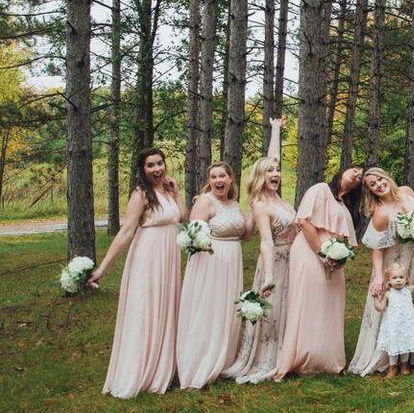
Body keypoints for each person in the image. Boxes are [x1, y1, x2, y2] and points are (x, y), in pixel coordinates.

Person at [90, 148, 188, 398]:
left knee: (166, 310)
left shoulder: (168, 189)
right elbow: (125, 233)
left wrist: (177, 193)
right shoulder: (141, 194)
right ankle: (138, 371)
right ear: (142, 170)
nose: (157, 169)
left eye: (160, 163)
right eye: (150, 165)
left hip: (169, 257)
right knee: (145, 310)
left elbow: (183, 218)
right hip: (148, 257)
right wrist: (103, 267)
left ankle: (162, 370)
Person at [223, 117, 299, 384]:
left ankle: (289, 353)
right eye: (269, 172)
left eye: (277, 171)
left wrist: (276, 130)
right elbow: (265, 241)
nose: (275, 174)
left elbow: (272, 159)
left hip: (294, 260)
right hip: (275, 262)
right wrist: (268, 276)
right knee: (274, 310)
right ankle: (267, 358)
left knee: (291, 309)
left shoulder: (279, 198)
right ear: (260, 177)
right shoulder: (259, 203)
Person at [274, 165, 363, 378]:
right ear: (342, 171)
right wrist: (322, 253)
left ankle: (326, 358)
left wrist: (340, 258)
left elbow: (345, 237)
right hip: (309, 253)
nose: (357, 176)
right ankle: (304, 358)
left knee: (330, 305)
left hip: (333, 260)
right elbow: (304, 222)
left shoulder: (346, 205)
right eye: (355, 171)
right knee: (309, 302)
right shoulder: (321, 189)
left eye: (361, 177)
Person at [177, 161, 249, 389]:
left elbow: (246, 236)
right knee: (207, 309)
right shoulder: (205, 202)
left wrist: (255, 209)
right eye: (214, 177)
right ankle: (198, 364)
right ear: (209, 181)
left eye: (223, 176)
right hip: (209, 262)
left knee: (226, 310)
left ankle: (224, 359)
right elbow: (194, 235)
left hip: (232, 262)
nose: (218, 181)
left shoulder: (236, 204)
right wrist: (205, 244)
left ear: (231, 179)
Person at [348, 168, 414, 377]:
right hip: (395, 263)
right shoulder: (381, 212)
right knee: (392, 308)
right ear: (370, 192)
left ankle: (410, 353)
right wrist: (380, 278)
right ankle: (386, 356)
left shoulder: (407, 193)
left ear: (387, 176)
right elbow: (377, 250)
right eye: (373, 185)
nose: (379, 185)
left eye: (380, 179)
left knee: (413, 302)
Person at [374, 262, 414, 378]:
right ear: (389, 281)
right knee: (393, 343)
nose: (398, 280)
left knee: (406, 342)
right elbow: (381, 308)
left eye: (401, 277)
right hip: (393, 325)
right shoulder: (388, 294)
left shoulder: (409, 290)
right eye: (395, 278)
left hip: (407, 323)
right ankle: (393, 367)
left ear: (406, 279)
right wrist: (376, 299)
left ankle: (404, 365)